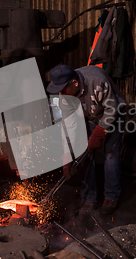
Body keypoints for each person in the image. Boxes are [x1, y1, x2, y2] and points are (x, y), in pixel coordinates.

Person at [47, 64, 125, 215]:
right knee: (85, 155)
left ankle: (111, 196)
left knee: (111, 154)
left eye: (63, 89)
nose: (60, 93)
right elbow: (68, 127)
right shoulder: (66, 96)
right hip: (90, 116)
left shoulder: (97, 81)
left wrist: (99, 132)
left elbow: (112, 108)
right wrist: (67, 157)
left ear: (74, 83)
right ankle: (89, 198)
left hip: (113, 113)